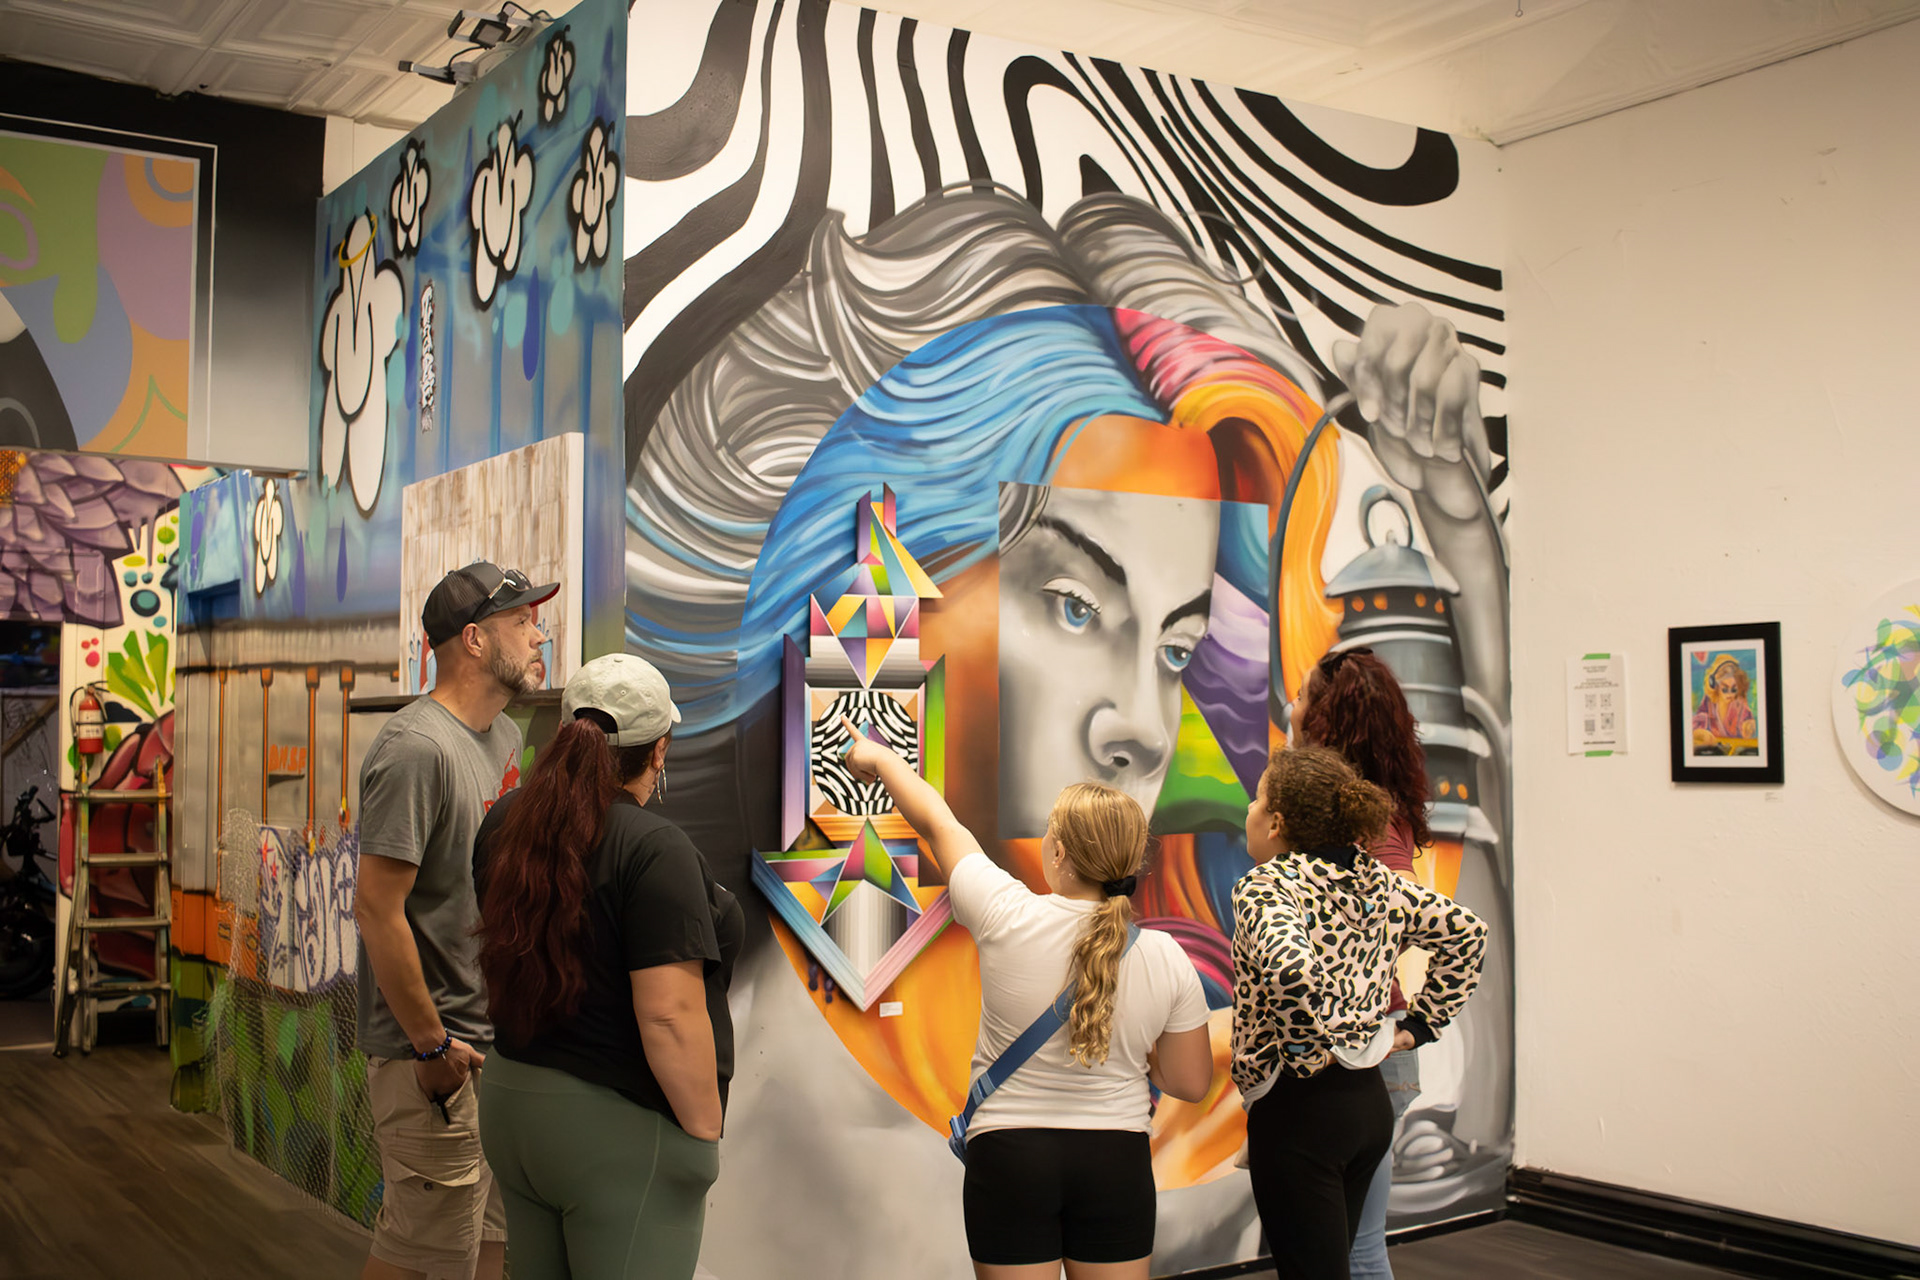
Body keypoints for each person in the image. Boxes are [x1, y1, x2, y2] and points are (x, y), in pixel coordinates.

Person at [841, 717, 1216, 1280]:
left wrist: (881, 758)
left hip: (1011, 1158)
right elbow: (1189, 1082)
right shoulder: (1165, 955)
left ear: (1059, 852)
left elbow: (937, 820)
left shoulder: (1005, 914)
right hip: (1116, 1161)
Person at [473, 653, 743, 1280]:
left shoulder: (505, 823)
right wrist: (703, 1134)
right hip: (615, 1130)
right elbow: (670, 1015)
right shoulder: (653, 847)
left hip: (513, 1106)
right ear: (659, 751)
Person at [352, 561, 555, 1280]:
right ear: (473, 639)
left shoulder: (502, 740)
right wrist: (431, 1049)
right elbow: (376, 910)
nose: (540, 634)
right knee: (419, 1250)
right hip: (434, 1056)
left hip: (492, 1044)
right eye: (523, 622)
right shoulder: (416, 749)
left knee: (496, 1240)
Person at [1232, 745, 1488, 1280]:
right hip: (1365, 1106)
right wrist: (1417, 1026)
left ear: (1277, 822)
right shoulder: (1377, 882)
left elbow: (1288, 972)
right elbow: (1467, 934)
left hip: (1302, 1113)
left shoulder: (1270, 884)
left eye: (1256, 801)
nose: (1248, 813)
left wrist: (1309, 1053)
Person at [1291, 649, 1435, 1280]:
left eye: (1299, 699)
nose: (1288, 708)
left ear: (1324, 721)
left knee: (1349, 1249)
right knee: (1355, 1245)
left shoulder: (1365, 832)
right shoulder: (1385, 818)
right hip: (1373, 1053)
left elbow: (1388, 927)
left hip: (1354, 1059)